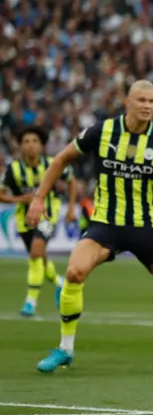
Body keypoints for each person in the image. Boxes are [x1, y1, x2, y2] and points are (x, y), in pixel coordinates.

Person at [27, 80, 153, 374]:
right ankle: (65, 349)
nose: (147, 106)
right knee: (75, 272)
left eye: (152, 102)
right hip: (106, 223)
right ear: (127, 101)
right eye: (141, 100)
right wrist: (39, 199)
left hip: (146, 227)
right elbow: (62, 159)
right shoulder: (102, 131)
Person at [0, 126, 76, 316]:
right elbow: (1, 194)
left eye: (35, 141)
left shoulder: (53, 163)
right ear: (20, 147)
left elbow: (71, 181)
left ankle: (30, 302)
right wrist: (19, 200)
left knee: (35, 253)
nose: (31, 146)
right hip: (24, 220)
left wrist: (72, 209)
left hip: (48, 215)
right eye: (26, 142)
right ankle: (60, 283)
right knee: (39, 258)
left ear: (42, 146)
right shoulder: (14, 170)